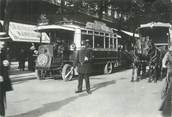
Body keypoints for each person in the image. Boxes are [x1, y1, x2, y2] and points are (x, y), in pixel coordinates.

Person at [0, 41, 13, 117]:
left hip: (3, 78)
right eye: (1, 44)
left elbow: (6, 65)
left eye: (3, 44)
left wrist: (7, 64)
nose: (2, 45)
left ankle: (2, 114)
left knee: (1, 97)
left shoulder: (3, 52)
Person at [159, 46, 172, 116]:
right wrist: (164, 65)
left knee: (167, 80)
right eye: (171, 51)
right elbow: (163, 60)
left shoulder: (168, 53)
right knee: (167, 80)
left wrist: (164, 65)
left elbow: (164, 60)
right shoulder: (167, 54)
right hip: (170, 69)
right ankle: (164, 92)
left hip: (170, 69)